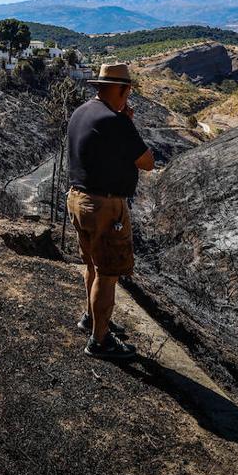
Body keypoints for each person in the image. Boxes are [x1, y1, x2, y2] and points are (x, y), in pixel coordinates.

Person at [66, 62, 155, 360]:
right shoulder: (116, 122)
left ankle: (92, 319)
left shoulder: (82, 112)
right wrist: (128, 123)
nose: (127, 97)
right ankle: (100, 340)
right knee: (108, 273)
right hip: (105, 206)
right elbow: (146, 162)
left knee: (91, 264)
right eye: (127, 92)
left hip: (78, 199)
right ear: (121, 89)